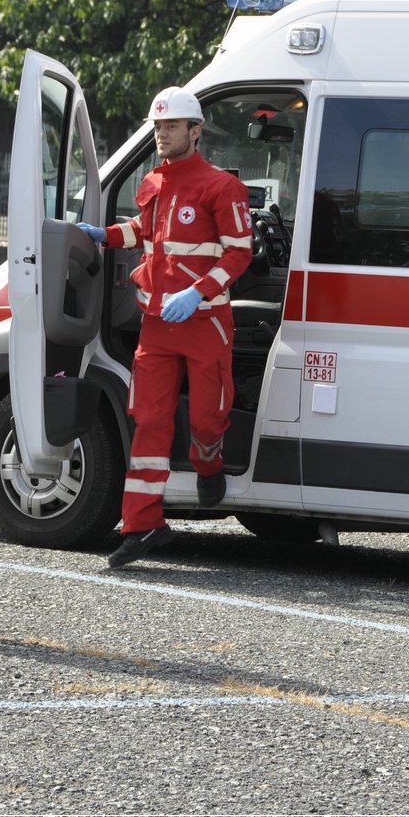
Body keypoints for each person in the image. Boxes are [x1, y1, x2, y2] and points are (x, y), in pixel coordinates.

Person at [77, 87, 252, 568]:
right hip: (156, 323)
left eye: (171, 126)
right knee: (148, 422)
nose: (162, 134)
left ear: (195, 132)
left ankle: (208, 464)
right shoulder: (155, 180)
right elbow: (144, 231)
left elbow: (239, 252)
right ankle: (142, 526)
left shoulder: (221, 187)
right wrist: (104, 236)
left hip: (204, 321)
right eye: (157, 127)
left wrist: (197, 293)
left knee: (205, 420)